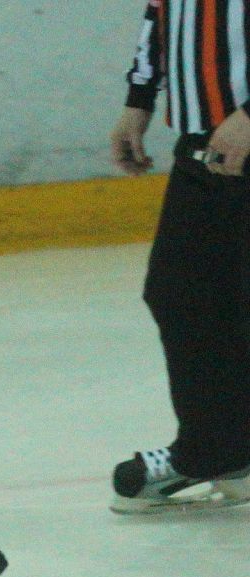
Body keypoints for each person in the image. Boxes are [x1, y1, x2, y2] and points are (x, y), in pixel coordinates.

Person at [109, 1, 250, 512]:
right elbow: (160, 11)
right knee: (181, 292)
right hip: (204, 154)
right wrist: (139, 98)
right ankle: (218, 450)